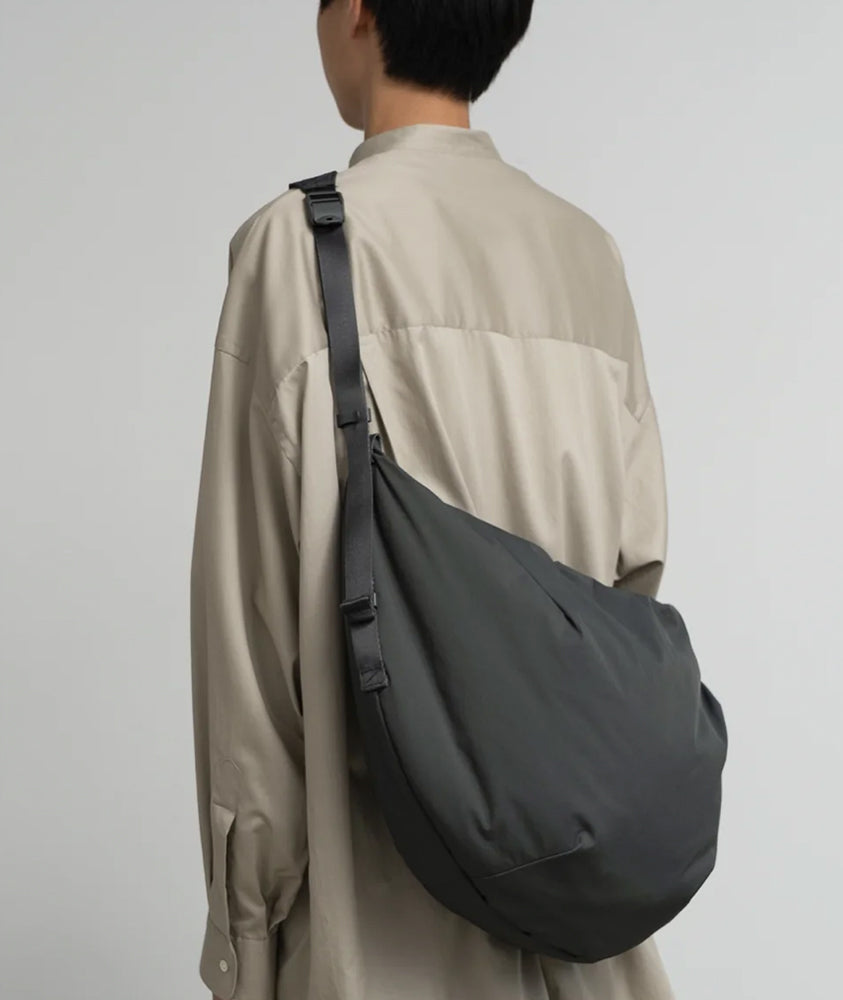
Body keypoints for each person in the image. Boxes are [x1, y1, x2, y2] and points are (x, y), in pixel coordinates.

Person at [189, 0, 673, 998]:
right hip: (582, 937)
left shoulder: (296, 249)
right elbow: (632, 587)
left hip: (375, 935)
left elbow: (251, 649)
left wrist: (247, 937)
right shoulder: (586, 253)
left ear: (359, 12)